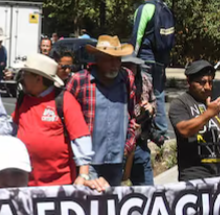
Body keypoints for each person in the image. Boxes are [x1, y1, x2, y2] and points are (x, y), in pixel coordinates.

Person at [12, 54, 103, 189]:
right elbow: (13, 128)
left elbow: (81, 138)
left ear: (38, 78)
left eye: (25, 74)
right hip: (25, 182)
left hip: (58, 185)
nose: (21, 78)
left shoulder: (64, 100)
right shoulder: (23, 99)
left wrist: (83, 175)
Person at [65, 36, 139, 185]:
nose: (114, 64)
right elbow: (66, 117)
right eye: (109, 59)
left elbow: (132, 116)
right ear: (98, 59)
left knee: (112, 205)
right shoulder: (80, 81)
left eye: (117, 59)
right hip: (88, 162)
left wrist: (128, 145)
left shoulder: (126, 79)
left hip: (116, 160)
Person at [130, 0, 174, 138]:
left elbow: (137, 38)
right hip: (160, 61)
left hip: (145, 59)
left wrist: (131, 61)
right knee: (159, 94)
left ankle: (144, 131)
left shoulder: (145, 8)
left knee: (143, 94)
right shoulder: (164, 7)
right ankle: (162, 133)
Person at [169, 60, 220, 182]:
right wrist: (208, 114)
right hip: (194, 175)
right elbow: (184, 130)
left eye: (210, 82)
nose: (207, 87)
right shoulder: (180, 103)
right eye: (202, 83)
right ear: (189, 82)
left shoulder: (215, 103)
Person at [122, 55, 159, 187]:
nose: (130, 69)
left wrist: (151, 108)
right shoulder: (114, 83)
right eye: (126, 65)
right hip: (119, 145)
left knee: (147, 190)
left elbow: (154, 102)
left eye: (133, 65)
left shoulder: (144, 81)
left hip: (139, 143)